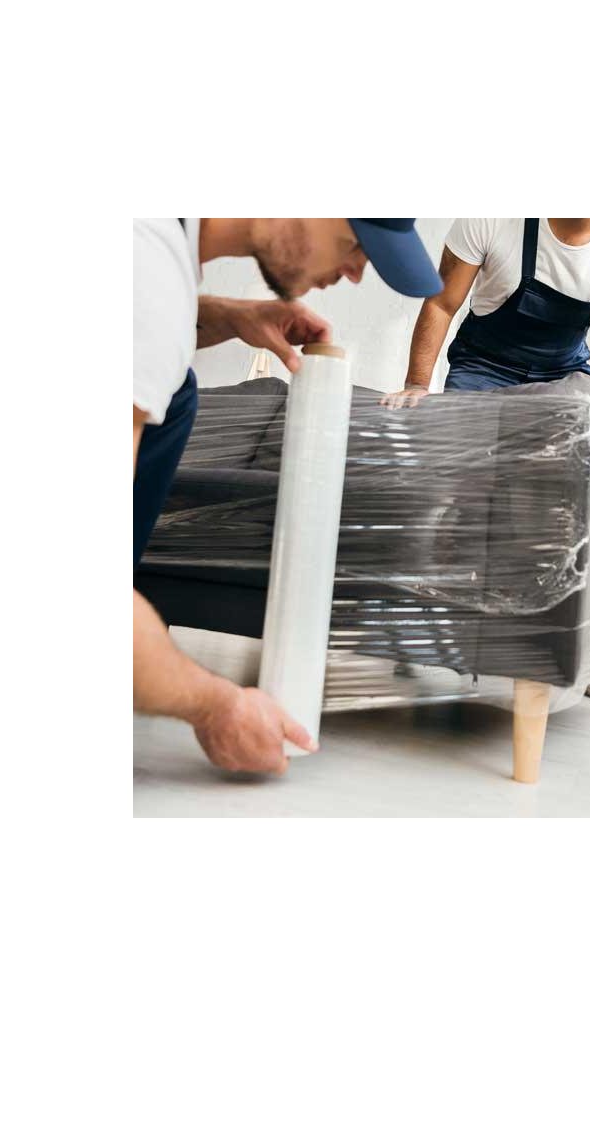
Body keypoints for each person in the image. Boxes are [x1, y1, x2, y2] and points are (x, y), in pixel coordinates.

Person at [134, 218, 442, 773]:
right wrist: (216, 705)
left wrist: (229, 317)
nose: (356, 273)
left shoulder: (160, 250)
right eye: (357, 244)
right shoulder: (146, 268)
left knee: (179, 389)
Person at [381, 217, 590, 707]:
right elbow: (440, 303)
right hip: (482, 369)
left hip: (563, 377)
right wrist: (417, 385)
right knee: (459, 495)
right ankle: (429, 630)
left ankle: (586, 653)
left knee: (575, 504)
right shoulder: (493, 216)